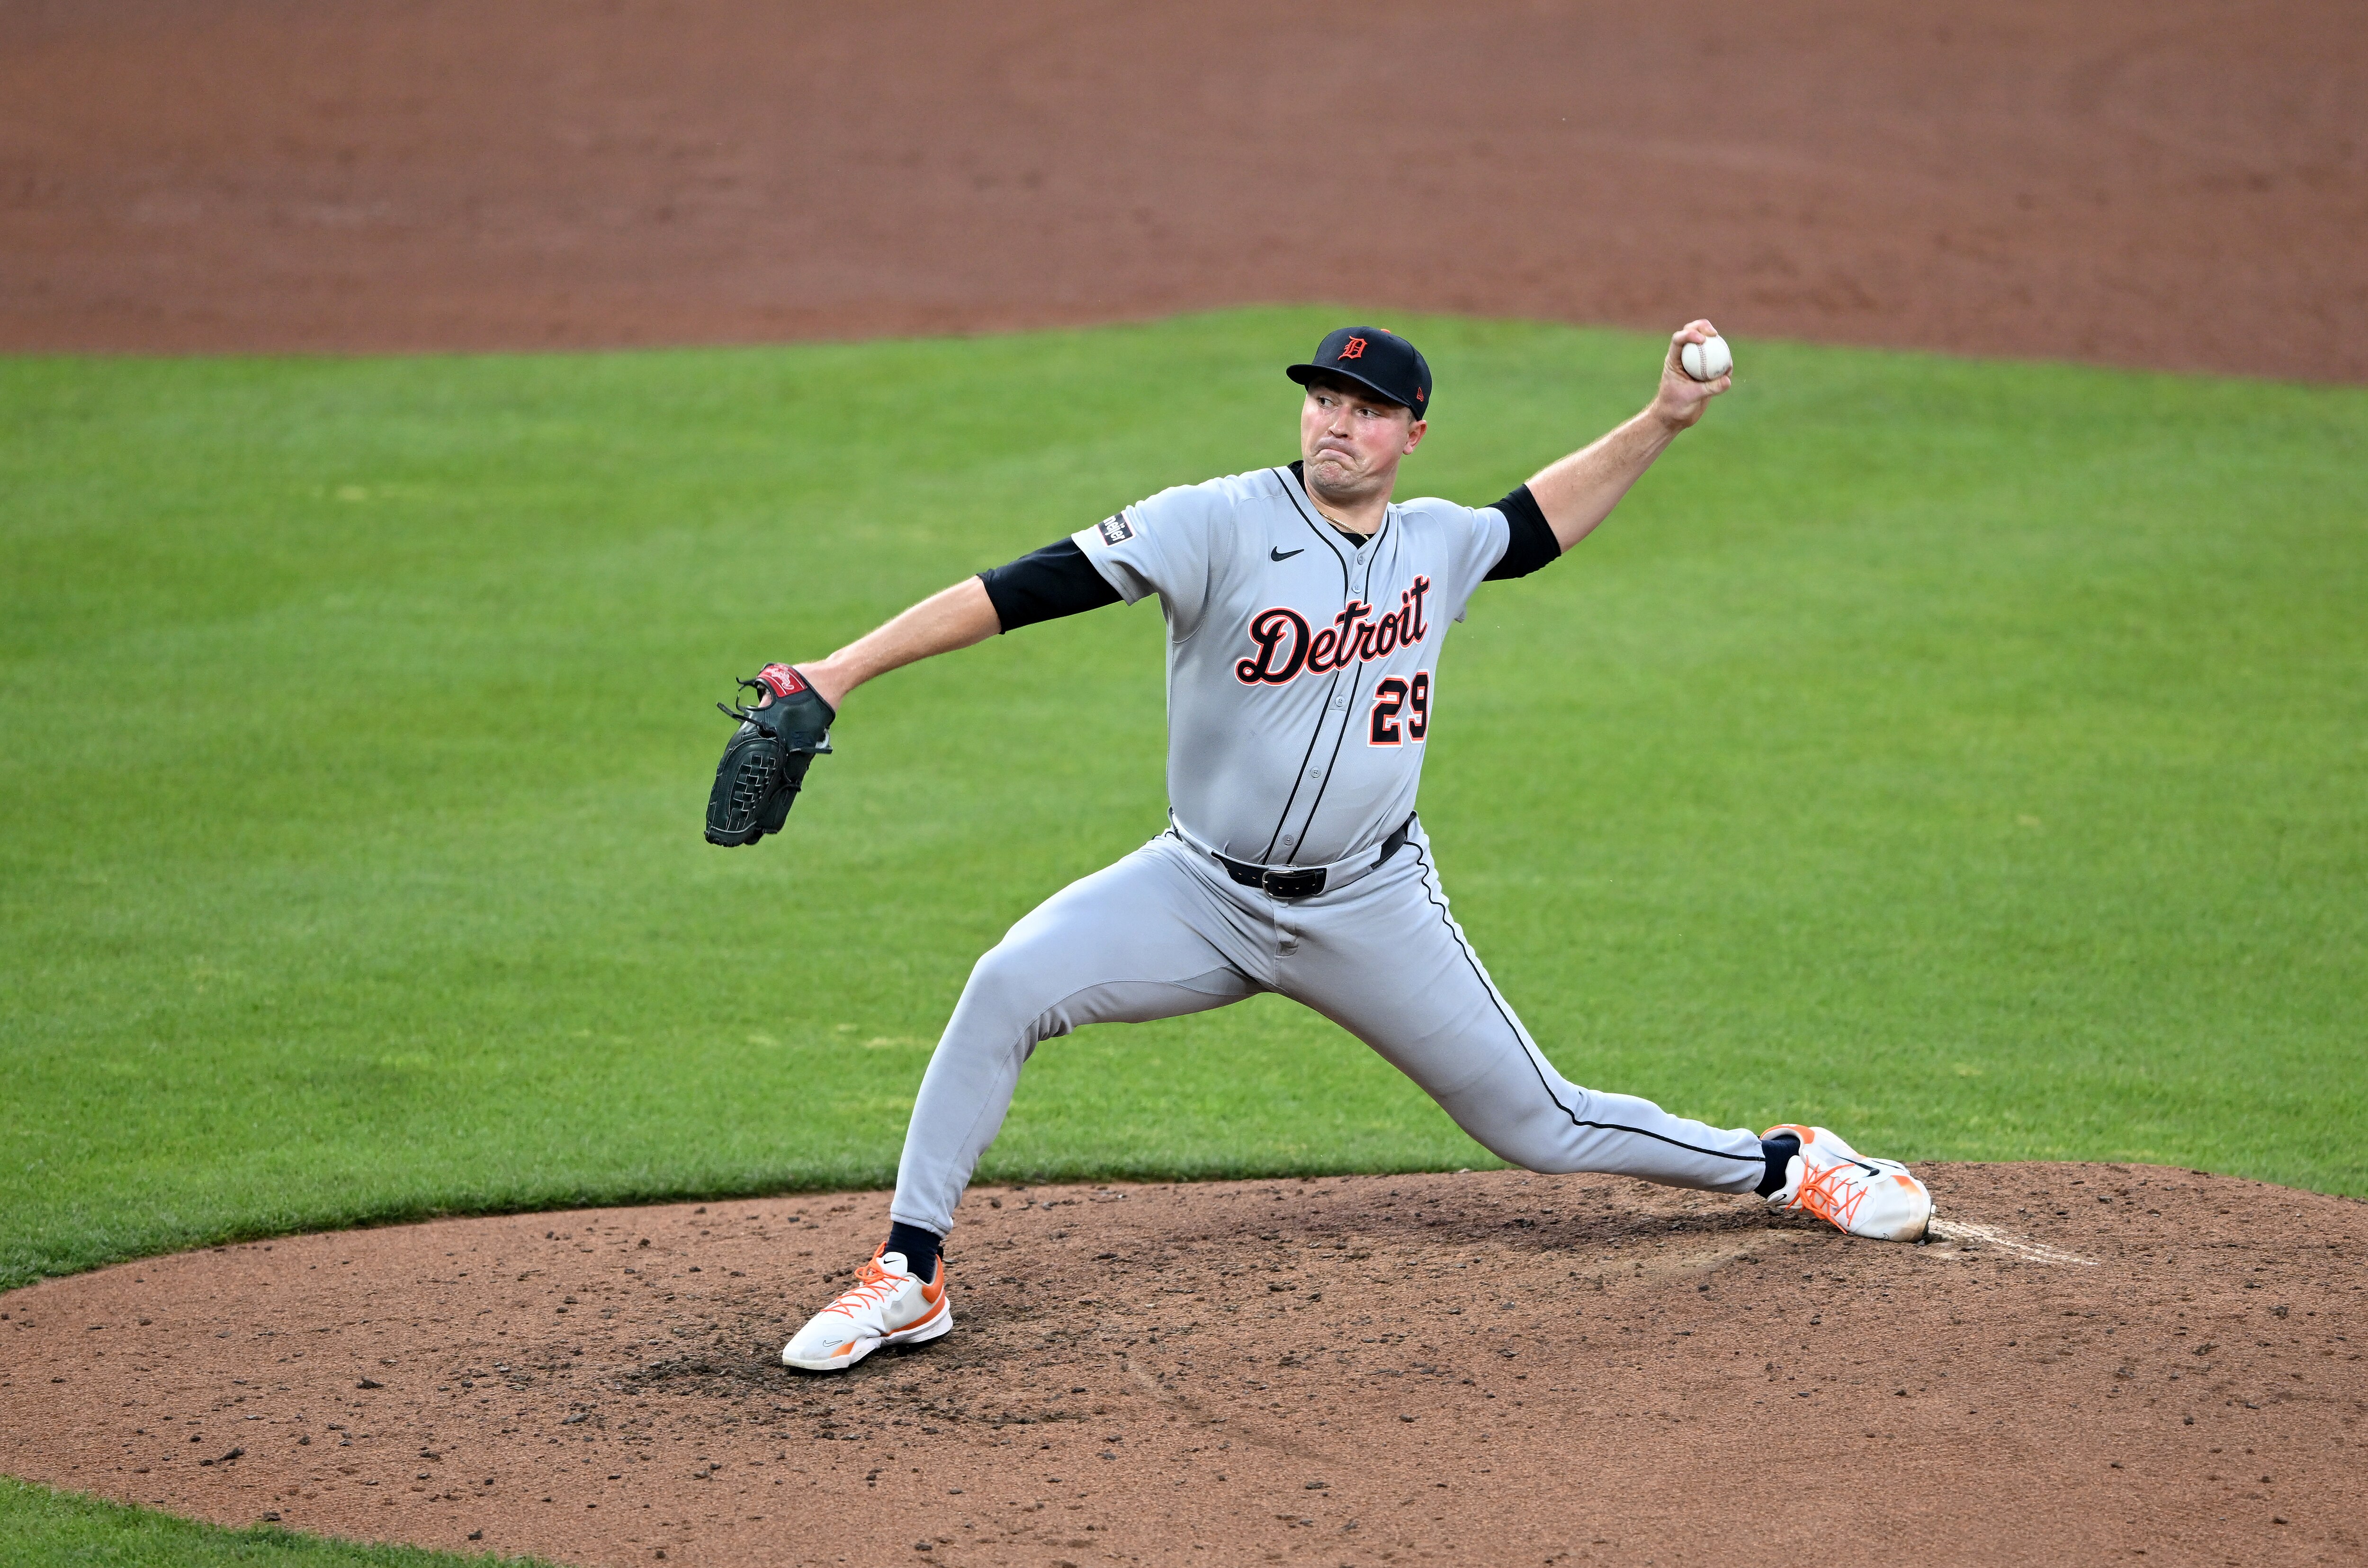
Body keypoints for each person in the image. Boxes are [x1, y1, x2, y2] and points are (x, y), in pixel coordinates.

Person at [773, 323, 1933, 1372]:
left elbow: (1533, 525)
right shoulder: (1212, 519)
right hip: (1197, 891)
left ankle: (1786, 1163)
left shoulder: (1439, 545)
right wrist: (840, 671)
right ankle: (910, 1274)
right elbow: (1021, 588)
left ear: (1411, 435)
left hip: (1371, 908)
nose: (1338, 420)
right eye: (1325, 398)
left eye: (1368, 407)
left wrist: (1664, 421)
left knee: (1541, 1124)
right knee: (1006, 982)